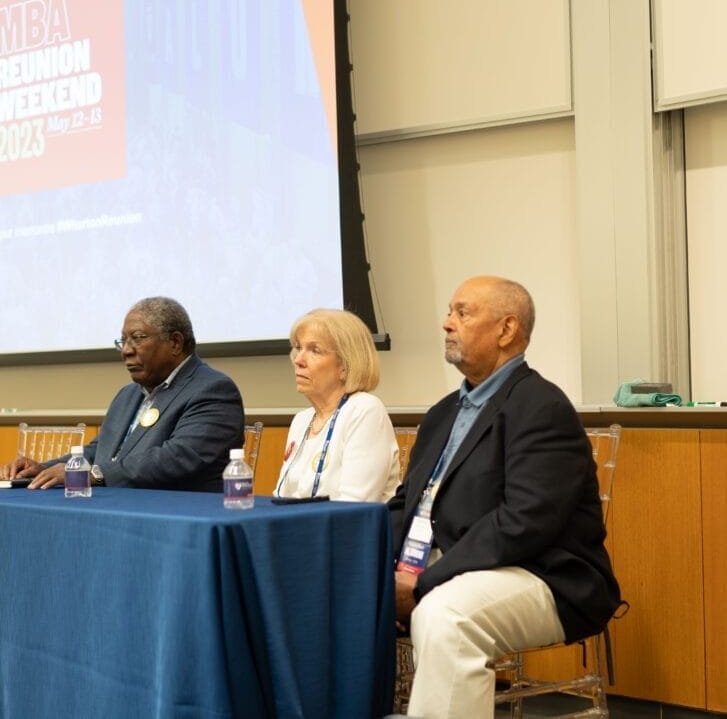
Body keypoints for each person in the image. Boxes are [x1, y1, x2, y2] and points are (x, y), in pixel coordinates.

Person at [389, 276, 621, 718]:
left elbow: (522, 524)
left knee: (447, 617)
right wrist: (368, 563)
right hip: (446, 565)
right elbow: (407, 506)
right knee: (335, 588)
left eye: (463, 312)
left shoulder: (541, 406)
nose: (446, 323)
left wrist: (422, 583)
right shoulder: (442, 414)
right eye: (449, 312)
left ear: (506, 329)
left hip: (542, 575)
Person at [0, 297, 244, 491]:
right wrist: (41, 469)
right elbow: (99, 453)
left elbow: (177, 458)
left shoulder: (213, 389)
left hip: (177, 518)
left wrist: (94, 474)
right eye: (123, 341)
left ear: (175, 343)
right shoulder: (128, 395)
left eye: (137, 339)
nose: (126, 350)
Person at [275, 308, 400, 502]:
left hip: (346, 530)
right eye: (299, 348)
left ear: (345, 366)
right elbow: (281, 496)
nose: (298, 360)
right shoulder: (302, 420)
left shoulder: (364, 411)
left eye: (314, 350)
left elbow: (355, 505)